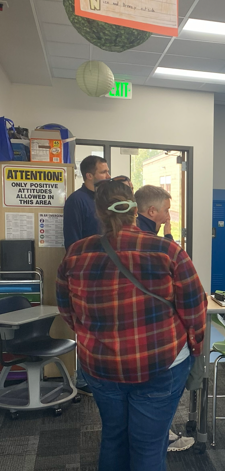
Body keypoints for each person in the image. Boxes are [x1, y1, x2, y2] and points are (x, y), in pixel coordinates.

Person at [56, 180, 207, 471]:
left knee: (113, 437)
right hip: (160, 363)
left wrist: (95, 337)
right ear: (135, 210)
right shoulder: (168, 251)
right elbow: (195, 310)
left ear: (99, 213)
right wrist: (194, 349)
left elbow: (68, 311)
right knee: (148, 444)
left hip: (100, 365)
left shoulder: (76, 253)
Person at [134, 184, 193, 452]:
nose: (169, 216)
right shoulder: (153, 245)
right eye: (166, 211)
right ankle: (162, 436)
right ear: (151, 211)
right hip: (155, 340)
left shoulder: (122, 240)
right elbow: (187, 293)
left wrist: (167, 234)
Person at [63, 155, 111, 395]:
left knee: (104, 328)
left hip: (109, 273)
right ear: (89, 175)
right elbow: (71, 243)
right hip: (87, 276)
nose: (108, 176)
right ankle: (84, 379)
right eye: (103, 172)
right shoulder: (77, 201)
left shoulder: (105, 200)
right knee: (87, 329)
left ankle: (101, 374)